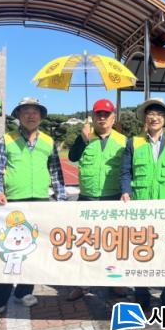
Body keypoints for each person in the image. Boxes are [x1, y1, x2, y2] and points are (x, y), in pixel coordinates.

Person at [0, 97, 66, 320]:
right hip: (12, 203)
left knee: (33, 251)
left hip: (40, 202)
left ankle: (24, 292)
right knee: (6, 251)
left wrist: (61, 199)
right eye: (26, 111)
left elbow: (56, 172)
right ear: (18, 115)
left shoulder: (48, 141)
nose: (31, 115)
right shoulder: (7, 139)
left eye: (35, 112)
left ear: (41, 116)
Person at [120, 98, 165, 309]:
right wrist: (126, 191)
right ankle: (142, 293)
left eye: (159, 114)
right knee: (141, 251)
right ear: (145, 118)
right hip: (141, 206)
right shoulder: (133, 143)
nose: (154, 118)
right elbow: (125, 172)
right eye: (151, 114)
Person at [66, 98, 127, 301]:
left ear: (113, 117)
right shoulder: (85, 137)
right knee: (85, 244)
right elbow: (72, 157)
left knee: (114, 244)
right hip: (87, 198)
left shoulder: (123, 140)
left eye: (106, 114)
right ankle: (82, 284)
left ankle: (115, 282)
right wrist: (82, 139)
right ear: (92, 117)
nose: (102, 118)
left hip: (113, 198)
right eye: (98, 114)